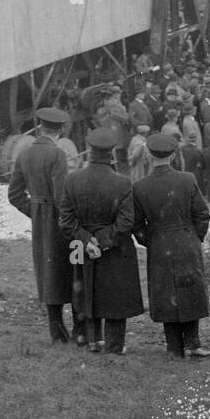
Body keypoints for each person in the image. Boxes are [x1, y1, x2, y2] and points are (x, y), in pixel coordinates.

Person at [57, 129, 144, 354]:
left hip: (81, 246)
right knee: (115, 294)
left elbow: (66, 221)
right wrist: (102, 240)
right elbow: (126, 222)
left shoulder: (72, 180)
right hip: (115, 247)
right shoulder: (123, 183)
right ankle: (114, 345)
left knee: (86, 289)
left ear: (90, 151)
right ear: (112, 153)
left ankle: (92, 340)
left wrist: (87, 240)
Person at [132, 133, 210, 358]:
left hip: (159, 243)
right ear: (174, 154)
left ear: (148, 155)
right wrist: (195, 237)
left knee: (164, 291)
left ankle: (174, 347)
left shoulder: (140, 186)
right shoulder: (187, 179)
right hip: (187, 240)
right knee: (190, 288)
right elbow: (202, 214)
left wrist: (151, 240)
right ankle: (193, 343)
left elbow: (136, 225)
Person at [8, 121, 79, 345]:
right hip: (60, 221)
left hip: (41, 222)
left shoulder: (24, 155)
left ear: (40, 129)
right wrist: (71, 219)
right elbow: (60, 197)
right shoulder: (57, 154)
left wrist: (36, 212)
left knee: (48, 274)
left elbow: (14, 195)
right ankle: (80, 330)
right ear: (59, 132)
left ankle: (57, 332)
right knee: (74, 271)